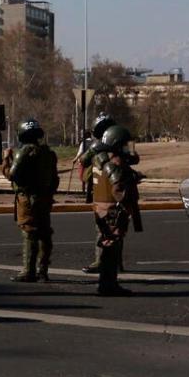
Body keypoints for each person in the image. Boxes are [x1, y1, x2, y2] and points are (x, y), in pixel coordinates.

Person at [1, 119, 60, 282]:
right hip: (44, 198)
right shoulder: (48, 153)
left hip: (27, 198)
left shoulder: (24, 152)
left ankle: (28, 271)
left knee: (29, 232)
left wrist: (6, 160)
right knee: (44, 233)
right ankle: (43, 271)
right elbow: (55, 179)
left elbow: (11, 174)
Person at [89, 124, 142, 297]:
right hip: (112, 209)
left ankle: (107, 283)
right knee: (111, 247)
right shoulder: (115, 161)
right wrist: (126, 199)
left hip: (102, 207)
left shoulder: (100, 158)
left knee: (108, 245)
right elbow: (118, 187)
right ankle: (108, 284)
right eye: (125, 144)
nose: (127, 148)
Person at [79, 113, 131, 273]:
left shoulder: (104, 154)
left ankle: (104, 262)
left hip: (106, 197)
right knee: (113, 231)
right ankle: (112, 263)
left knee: (107, 231)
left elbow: (85, 167)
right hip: (106, 195)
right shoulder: (103, 152)